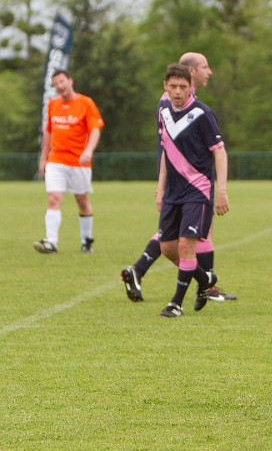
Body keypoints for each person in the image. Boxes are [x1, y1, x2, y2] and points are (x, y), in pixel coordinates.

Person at [121, 52, 236, 303]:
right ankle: (204, 284)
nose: (210, 71)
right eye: (205, 66)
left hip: (180, 179)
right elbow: (169, 146)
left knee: (184, 236)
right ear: (191, 72)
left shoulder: (186, 104)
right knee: (181, 238)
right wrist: (162, 184)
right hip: (185, 179)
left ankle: (143, 270)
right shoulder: (169, 104)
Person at [156, 64, 230, 318]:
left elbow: (219, 152)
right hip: (173, 193)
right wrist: (160, 188)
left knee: (187, 245)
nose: (178, 92)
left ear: (190, 87)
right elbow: (167, 152)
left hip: (197, 190)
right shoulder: (163, 111)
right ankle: (204, 279)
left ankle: (176, 303)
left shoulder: (202, 113)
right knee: (167, 248)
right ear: (165, 86)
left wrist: (221, 190)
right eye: (173, 86)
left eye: (183, 87)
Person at [34, 70, 104, 254]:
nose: (60, 86)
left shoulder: (85, 103)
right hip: (56, 160)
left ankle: (86, 240)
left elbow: (95, 129)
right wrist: (43, 159)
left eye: (62, 81)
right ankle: (51, 242)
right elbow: (48, 132)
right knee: (53, 198)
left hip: (78, 162)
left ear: (70, 81)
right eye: (56, 83)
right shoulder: (52, 104)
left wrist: (88, 150)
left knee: (81, 200)